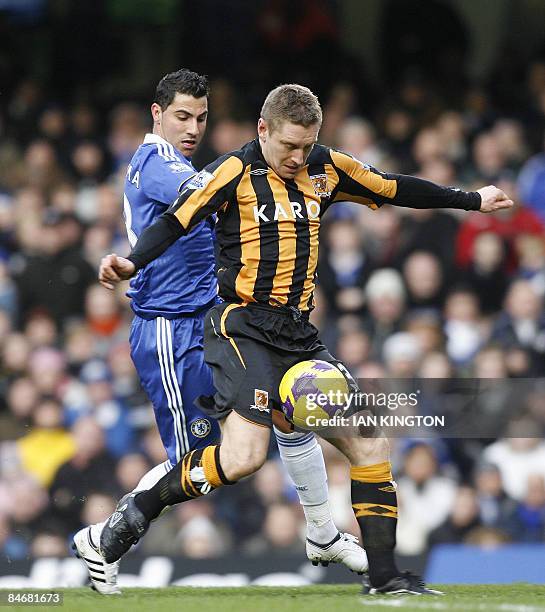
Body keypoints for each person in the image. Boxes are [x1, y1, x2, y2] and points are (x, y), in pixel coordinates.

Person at [98, 84, 513, 595]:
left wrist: (471, 199)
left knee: (367, 438)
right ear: (262, 130)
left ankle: (385, 577)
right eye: (288, 146)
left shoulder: (326, 167)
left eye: (306, 145)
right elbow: (175, 220)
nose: (297, 158)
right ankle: (138, 509)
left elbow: (391, 187)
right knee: (245, 458)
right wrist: (130, 262)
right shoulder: (233, 172)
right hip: (240, 329)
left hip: (298, 335)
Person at [73, 71, 366, 595]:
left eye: (201, 118)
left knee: (288, 402)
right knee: (201, 462)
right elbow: (213, 194)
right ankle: (105, 538)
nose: (192, 127)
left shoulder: (181, 162)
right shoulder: (156, 163)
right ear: (156, 114)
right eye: (182, 116)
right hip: (171, 330)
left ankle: (322, 532)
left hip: (210, 320)